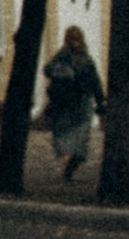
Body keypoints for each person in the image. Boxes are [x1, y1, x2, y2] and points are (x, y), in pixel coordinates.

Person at [40, 24, 106, 185]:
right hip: (79, 103)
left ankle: (68, 162)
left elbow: (47, 70)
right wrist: (100, 101)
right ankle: (70, 165)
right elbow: (95, 82)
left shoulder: (62, 57)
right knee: (80, 139)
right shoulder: (84, 59)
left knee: (64, 136)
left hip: (64, 104)